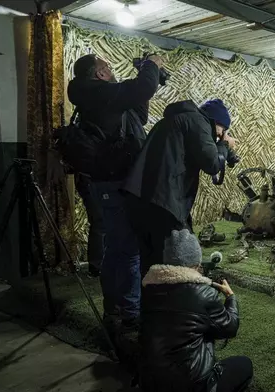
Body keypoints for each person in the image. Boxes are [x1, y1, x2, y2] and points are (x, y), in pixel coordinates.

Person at [67, 53, 163, 329]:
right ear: (99, 74)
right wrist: (150, 65)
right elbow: (144, 87)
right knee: (129, 251)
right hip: (114, 182)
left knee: (116, 249)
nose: (110, 70)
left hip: (112, 182)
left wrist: (142, 78)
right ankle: (130, 314)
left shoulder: (102, 97)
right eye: (106, 67)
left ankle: (115, 309)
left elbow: (139, 115)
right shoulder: (98, 94)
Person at [123, 98, 237, 275]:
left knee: (149, 260)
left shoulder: (179, 119)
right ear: (217, 123)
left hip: (143, 196)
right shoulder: (198, 122)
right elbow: (212, 164)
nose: (220, 135)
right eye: (222, 131)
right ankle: (170, 298)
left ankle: (148, 299)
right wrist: (223, 145)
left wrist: (219, 146)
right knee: (171, 257)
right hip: (163, 200)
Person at [140, 229, 253, 392]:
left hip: (150, 381)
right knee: (245, 365)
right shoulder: (203, 294)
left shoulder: (149, 288)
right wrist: (230, 297)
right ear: (196, 263)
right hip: (192, 386)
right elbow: (230, 327)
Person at [74, 174, 104, 277]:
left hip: (94, 177)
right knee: (99, 222)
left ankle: (98, 265)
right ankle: (97, 266)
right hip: (90, 177)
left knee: (100, 222)